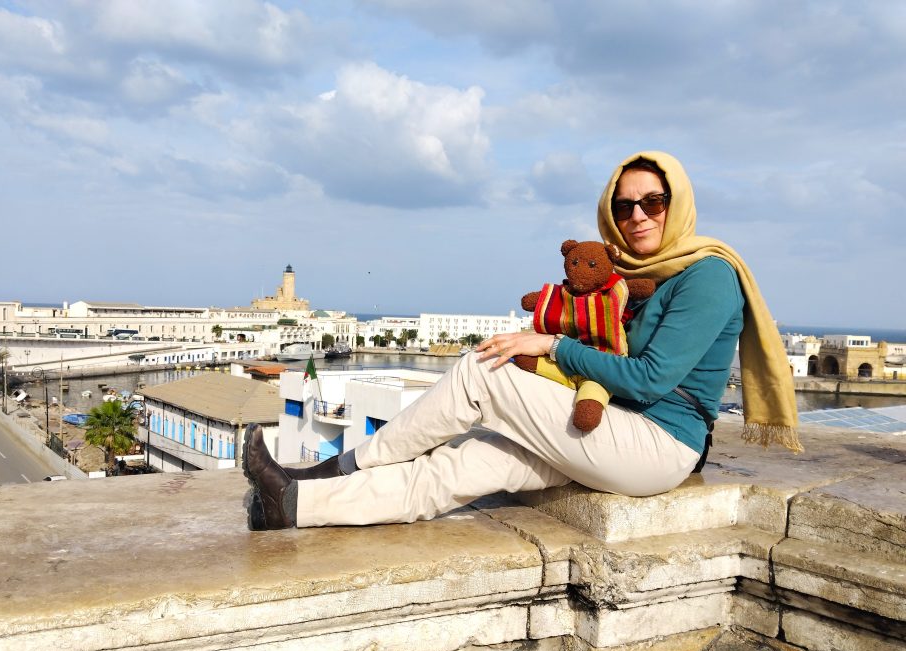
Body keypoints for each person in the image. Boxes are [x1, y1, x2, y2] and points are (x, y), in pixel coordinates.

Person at [242, 150, 802, 531]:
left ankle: (337, 467)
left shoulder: (706, 275)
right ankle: (294, 505)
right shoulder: (634, 274)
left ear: (674, 203)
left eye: (651, 202)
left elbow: (653, 376)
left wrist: (550, 347)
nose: (636, 216)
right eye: (623, 205)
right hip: (613, 428)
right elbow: (610, 348)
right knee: (472, 464)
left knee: (484, 370)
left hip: (660, 443)